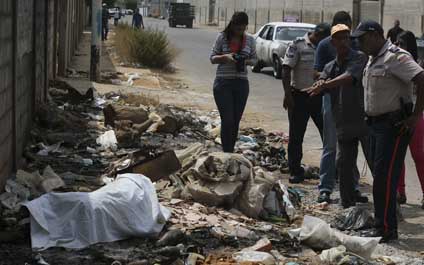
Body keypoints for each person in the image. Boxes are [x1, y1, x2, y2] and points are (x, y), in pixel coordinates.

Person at [353, 20, 424, 241]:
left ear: (375, 35)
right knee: (381, 178)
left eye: (362, 39)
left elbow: (421, 78)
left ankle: (386, 228)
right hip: (374, 124)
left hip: (392, 126)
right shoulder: (373, 58)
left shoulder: (396, 56)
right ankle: (382, 224)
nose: (360, 44)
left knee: (385, 179)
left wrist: (416, 116)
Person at [305, 24, 372, 208]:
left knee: (375, 163)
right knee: (344, 164)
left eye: (346, 38)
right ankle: (348, 205)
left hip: (364, 120)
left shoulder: (359, 58)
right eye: (339, 38)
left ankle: (390, 204)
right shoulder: (331, 66)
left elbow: (349, 77)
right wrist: (319, 84)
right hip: (343, 122)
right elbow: (321, 78)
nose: (343, 42)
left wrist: (325, 85)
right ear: (332, 42)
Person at [282, 23, 331, 183]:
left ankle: (331, 170)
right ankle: (295, 170)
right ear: (317, 35)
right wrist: (288, 95)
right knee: (296, 136)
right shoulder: (298, 45)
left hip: (319, 96)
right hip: (300, 96)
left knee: (328, 135)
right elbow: (286, 70)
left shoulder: (327, 47)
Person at [209, 12, 257, 153]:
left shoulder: (250, 40)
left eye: (242, 29)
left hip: (241, 83)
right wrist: (226, 57)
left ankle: (230, 151)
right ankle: (226, 150)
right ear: (232, 25)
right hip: (223, 83)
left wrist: (244, 60)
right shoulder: (222, 37)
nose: (240, 31)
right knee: (227, 119)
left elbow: (255, 60)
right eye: (237, 28)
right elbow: (212, 58)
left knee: (235, 121)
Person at [395, 31, 424, 209]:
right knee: (397, 156)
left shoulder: (417, 65)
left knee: (419, 155)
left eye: (402, 43)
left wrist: (416, 114)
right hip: (397, 114)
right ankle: (400, 192)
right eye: (397, 43)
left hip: (415, 114)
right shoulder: (393, 62)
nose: (398, 46)